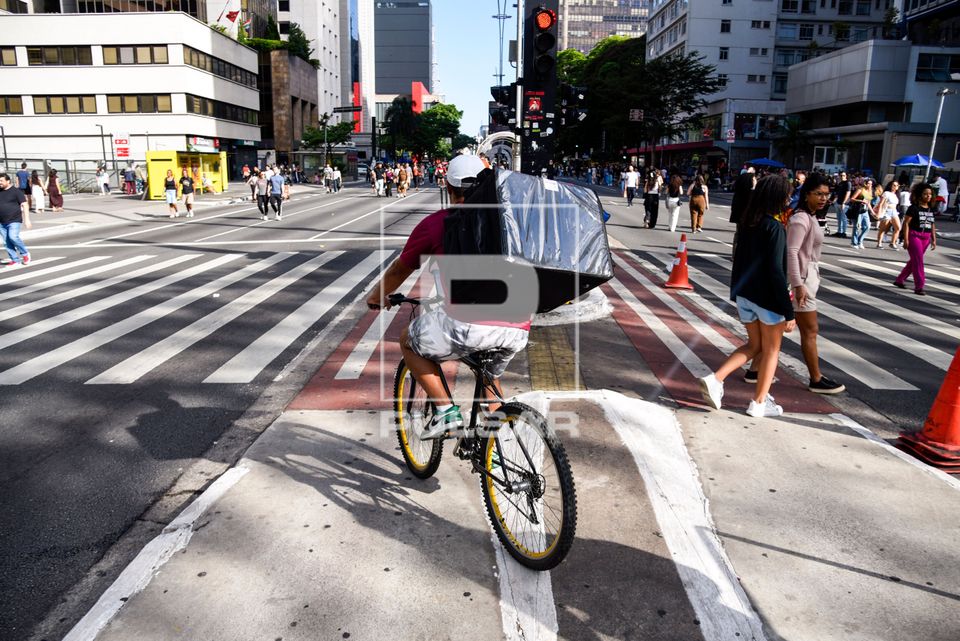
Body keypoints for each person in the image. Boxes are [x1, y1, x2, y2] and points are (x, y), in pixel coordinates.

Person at [365, 154, 530, 439]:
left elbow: (400, 270)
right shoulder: (508, 219)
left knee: (407, 340)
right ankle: (497, 445)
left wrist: (376, 296)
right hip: (518, 326)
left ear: (448, 187)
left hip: (469, 324)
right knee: (489, 375)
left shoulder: (437, 224)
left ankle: (445, 412)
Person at [698, 175, 796, 418]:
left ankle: (716, 379)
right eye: (787, 194)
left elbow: (738, 260)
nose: (789, 198)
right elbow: (776, 271)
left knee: (755, 345)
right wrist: (788, 311)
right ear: (777, 197)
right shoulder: (775, 228)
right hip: (768, 298)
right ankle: (759, 403)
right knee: (771, 351)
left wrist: (737, 292)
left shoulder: (748, 223)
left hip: (745, 295)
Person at [785, 173, 845, 395]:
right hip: (801, 279)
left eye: (826, 195)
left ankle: (754, 371)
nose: (823, 199)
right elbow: (791, 252)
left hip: (805, 277)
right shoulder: (801, 218)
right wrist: (798, 284)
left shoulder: (809, 216)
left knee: (774, 328)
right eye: (818, 194)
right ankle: (816, 378)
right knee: (810, 330)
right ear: (806, 194)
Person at [893, 182, 936, 295]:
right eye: (925, 194)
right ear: (919, 195)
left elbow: (932, 224)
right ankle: (919, 286)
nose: (928, 196)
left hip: (926, 238)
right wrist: (906, 239)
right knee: (918, 262)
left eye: (930, 194)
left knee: (914, 261)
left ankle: (899, 280)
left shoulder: (930, 209)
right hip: (914, 236)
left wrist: (934, 239)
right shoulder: (913, 208)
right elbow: (906, 223)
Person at [0, 172, 32, 266]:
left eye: (1, 181)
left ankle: (25, 254)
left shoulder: (16, 191)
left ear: (8, 181)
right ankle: (14, 259)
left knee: (13, 237)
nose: (0, 183)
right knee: (7, 242)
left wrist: (27, 219)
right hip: (1, 221)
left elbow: (25, 204)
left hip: (14, 220)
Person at [875, 180, 902, 250]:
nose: (896, 186)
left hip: (894, 211)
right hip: (887, 211)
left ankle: (892, 243)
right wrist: (879, 213)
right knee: (883, 228)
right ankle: (879, 243)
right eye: (894, 185)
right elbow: (881, 204)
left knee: (898, 228)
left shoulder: (897, 195)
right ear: (890, 186)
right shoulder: (886, 193)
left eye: (897, 185)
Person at [848, 178, 873, 249]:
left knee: (867, 226)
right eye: (869, 183)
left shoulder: (870, 192)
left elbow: (868, 203)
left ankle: (859, 241)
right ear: (865, 184)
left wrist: (872, 212)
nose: (870, 185)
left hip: (865, 211)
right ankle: (854, 243)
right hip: (858, 210)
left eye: (871, 184)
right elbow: (852, 199)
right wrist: (860, 201)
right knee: (857, 227)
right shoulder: (860, 190)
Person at [830, 171, 851, 237]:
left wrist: (844, 202)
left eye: (843, 175)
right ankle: (839, 231)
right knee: (839, 218)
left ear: (846, 176)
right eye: (841, 175)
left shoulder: (848, 183)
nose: (842, 176)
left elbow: (848, 193)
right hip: (838, 202)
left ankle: (844, 232)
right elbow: (837, 193)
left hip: (844, 204)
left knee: (843, 218)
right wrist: (833, 201)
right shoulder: (840, 183)